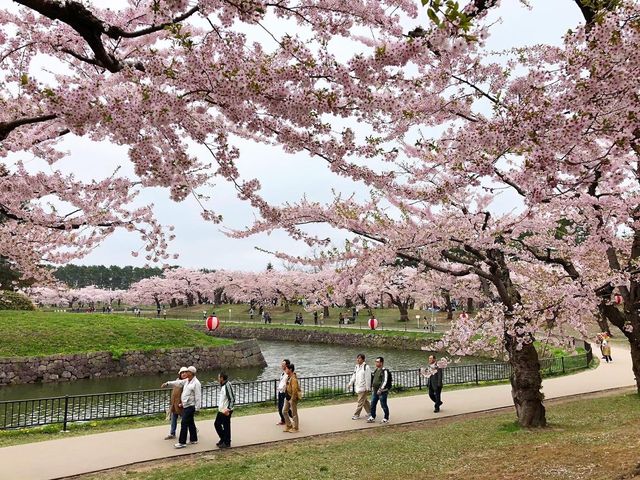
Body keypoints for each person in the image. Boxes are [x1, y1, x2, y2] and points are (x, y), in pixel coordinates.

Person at [162, 365, 201, 449]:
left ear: (191, 373)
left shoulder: (196, 383)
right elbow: (178, 383)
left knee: (184, 423)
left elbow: (198, 396)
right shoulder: (187, 380)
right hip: (186, 405)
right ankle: (194, 439)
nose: (186, 373)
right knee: (190, 422)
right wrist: (168, 383)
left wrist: (197, 408)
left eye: (187, 372)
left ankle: (182, 442)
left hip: (190, 406)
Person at [164, 366, 187, 440]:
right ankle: (172, 433)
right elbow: (174, 392)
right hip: (174, 403)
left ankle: (193, 429)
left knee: (186, 419)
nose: (183, 374)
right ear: (179, 374)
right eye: (182, 373)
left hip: (182, 404)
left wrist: (183, 402)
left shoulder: (186, 382)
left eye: (185, 372)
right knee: (174, 418)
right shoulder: (177, 381)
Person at [347, 353, 371, 420]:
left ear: (363, 359)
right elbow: (354, 376)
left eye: (359, 358)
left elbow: (368, 378)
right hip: (358, 387)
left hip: (363, 387)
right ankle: (370, 412)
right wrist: (350, 383)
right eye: (357, 358)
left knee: (360, 402)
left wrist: (367, 387)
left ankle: (356, 415)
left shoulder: (366, 367)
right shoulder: (356, 367)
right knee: (364, 401)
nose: (358, 359)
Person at [367, 357, 391, 424]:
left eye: (377, 362)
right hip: (375, 391)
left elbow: (385, 381)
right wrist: (371, 387)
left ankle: (386, 418)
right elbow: (374, 379)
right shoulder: (376, 370)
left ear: (381, 363)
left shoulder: (384, 371)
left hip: (382, 392)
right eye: (376, 361)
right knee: (372, 404)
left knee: (383, 405)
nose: (376, 363)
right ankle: (372, 416)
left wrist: (380, 389)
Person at [214, 372, 235, 448]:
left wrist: (228, 409)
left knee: (225, 426)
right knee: (218, 424)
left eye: (219, 377)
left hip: (225, 410)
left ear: (222, 378)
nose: (218, 379)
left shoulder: (227, 385)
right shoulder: (223, 386)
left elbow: (232, 399)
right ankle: (224, 439)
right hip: (222, 410)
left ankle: (226, 442)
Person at [283, 363, 301, 433]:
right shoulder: (288, 377)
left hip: (292, 398)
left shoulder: (293, 379)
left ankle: (296, 428)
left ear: (290, 369)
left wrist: (292, 399)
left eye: (286, 368)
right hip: (287, 397)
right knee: (284, 411)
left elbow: (295, 390)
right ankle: (289, 425)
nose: (285, 369)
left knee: (294, 413)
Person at [276, 359, 291, 425]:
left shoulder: (288, 374)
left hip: (285, 393)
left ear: (287, 365)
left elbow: (288, 383)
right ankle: (283, 420)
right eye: (281, 364)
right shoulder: (282, 373)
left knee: (284, 408)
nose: (281, 365)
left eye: (283, 364)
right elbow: (282, 382)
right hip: (280, 392)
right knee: (280, 407)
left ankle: (292, 416)